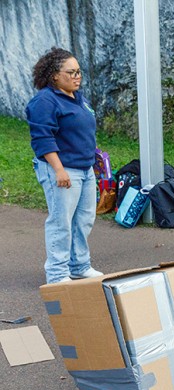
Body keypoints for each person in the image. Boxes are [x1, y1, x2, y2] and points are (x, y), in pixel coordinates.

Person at [26, 47, 102, 284]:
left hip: (85, 168)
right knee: (61, 222)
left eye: (79, 72)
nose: (77, 77)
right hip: (62, 169)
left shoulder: (77, 97)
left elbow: (81, 130)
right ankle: (57, 273)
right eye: (71, 73)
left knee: (84, 219)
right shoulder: (44, 101)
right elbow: (43, 138)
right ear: (54, 76)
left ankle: (79, 266)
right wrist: (59, 170)